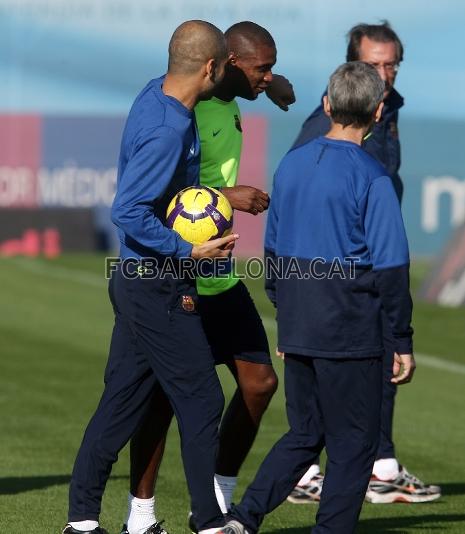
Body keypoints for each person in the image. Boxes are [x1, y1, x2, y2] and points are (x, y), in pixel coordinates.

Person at [219, 60, 415, 534]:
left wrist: (287, 317)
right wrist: (401, 339)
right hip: (350, 326)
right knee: (352, 445)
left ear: (327, 105)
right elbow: (390, 267)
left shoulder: (292, 164)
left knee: (306, 434)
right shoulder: (372, 177)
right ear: (378, 109)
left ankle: (242, 520)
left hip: (302, 321)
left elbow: (274, 250)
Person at [119, 21, 296, 534]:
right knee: (163, 401)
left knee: (259, 384)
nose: (268, 77)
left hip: (219, 274)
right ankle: (141, 516)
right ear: (227, 67)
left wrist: (274, 85)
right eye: (262, 68)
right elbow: (162, 196)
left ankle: (216, 502)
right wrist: (228, 197)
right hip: (180, 276)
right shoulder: (185, 110)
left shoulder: (236, 87)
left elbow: (262, 80)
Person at [62, 20, 238, 534]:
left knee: (120, 403)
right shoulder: (169, 129)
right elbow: (128, 210)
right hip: (156, 284)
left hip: (138, 281)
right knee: (204, 399)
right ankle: (209, 522)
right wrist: (189, 248)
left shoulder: (154, 93)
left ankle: (82, 522)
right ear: (210, 67)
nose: (224, 72)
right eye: (224, 64)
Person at [287, 21, 441, 505]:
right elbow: (300, 194)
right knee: (371, 361)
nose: (385, 72)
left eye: (391, 63)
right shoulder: (327, 124)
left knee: (383, 362)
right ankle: (312, 470)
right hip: (344, 273)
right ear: (352, 64)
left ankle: (379, 464)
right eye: (374, 63)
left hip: (365, 261)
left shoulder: (386, 105)